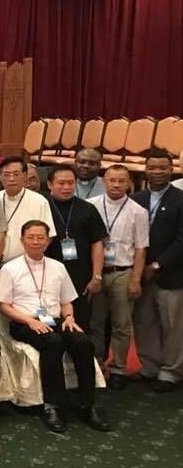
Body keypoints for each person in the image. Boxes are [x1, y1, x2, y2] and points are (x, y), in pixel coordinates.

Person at [0, 220, 109, 433]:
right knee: (53, 343)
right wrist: (30, 321)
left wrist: (69, 318)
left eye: (41, 238)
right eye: (31, 237)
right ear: (22, 240)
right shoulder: (10, 269)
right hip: (24, 322)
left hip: (56, 320)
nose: (36, 242)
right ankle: (53, 406)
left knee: (83, 343)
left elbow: (66, 301)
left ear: (48, 241)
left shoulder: (58, 267)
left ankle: (88, 404)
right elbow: (4, 306)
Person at [87, 165, 148, 388]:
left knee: (121, 324)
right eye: (112, 180)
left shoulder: (138, 211)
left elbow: (141, 248)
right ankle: (95, 365)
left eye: (121, 181)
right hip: (96, 272)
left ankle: (118, 368)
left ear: (129, 183)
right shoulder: (91, 206)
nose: (116, 185)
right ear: (104, 181)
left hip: (122, 272)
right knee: (95, 322)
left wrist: (136, 279)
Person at [132, 149, 183, 392]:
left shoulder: (180, 199)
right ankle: (150, 366)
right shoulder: (137, 198)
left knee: (173, 325)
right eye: (152, 167)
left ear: (172, 170)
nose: (157, 172)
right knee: (144, 321)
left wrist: (157, 264)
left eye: (163, 168)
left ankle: (171, 371)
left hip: (171, 273)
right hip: (140, 273)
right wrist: (139, 268)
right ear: (145, 169)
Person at [42, 165, 106, 328]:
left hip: (80, 275)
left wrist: (97, 276)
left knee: (80, 321)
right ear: (49, 184)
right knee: (50, 320)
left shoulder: (87, 208)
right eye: (61, 183)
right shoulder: (42, 206)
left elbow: (97, 243)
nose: (66, 187)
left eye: (70, 183)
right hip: (47, 273)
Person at [0, 156, 55, 263]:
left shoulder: (39, 201)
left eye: (16, 174)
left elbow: (48, 236)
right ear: (0, 177)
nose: (11, 179)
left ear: (25, 175)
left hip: (27, 263)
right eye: (6, 174)